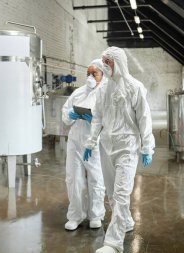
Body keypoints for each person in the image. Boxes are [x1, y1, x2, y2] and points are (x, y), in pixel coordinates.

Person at [83, 47, 155, 253]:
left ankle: (113, 244)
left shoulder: (135, 87)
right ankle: (127, 222)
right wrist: (91, 142)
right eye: (103, 61)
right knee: (113, 193)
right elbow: (97, 118)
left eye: (109, 61)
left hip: (127, 148)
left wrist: (147, 146)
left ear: (119, 62)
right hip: (107, 147)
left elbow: (144, 119)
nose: (104, 65)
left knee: (122, 194)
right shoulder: (103, 89)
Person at [62, 59, 106, 231]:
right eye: (88, 73)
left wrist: (95, 120)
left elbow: (110, 119)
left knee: (96, 178)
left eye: (94, 73)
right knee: (73, 179)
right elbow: (65, 112)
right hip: (74, 141)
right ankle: (75, 215)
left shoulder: (106, 94)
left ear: (102, 74)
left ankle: (96, 214)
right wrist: (70, 115)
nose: (90, 76)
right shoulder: (78, 92)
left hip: (94, 142)